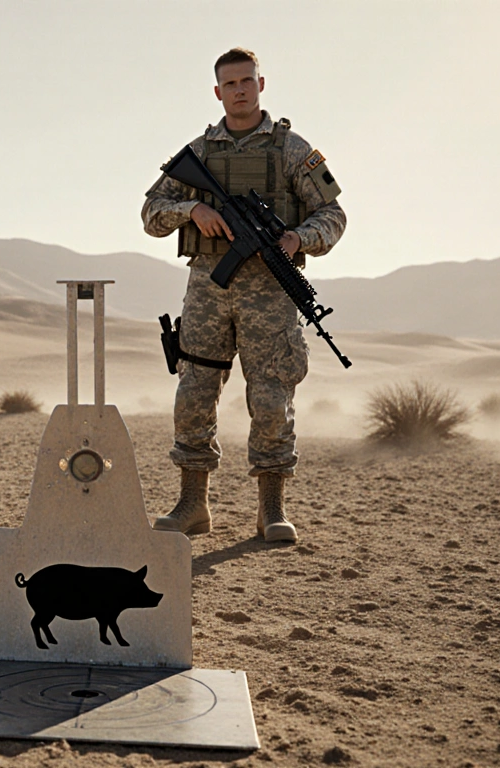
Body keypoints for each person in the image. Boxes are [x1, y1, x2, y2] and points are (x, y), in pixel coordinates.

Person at [141, 48, 346, 542]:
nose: (238, 90)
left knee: (273, 397)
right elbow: (151, 213)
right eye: (229, 83)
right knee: (193, 394)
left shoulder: (292, 150)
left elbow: (333, 215)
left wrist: (299, 238)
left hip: (271, 292)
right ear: (217, 92)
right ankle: (193, 505)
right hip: (209, 290)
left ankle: (271, 509)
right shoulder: (200, 151)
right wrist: (192, 210)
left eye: (246, 81)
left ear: (261, 84)